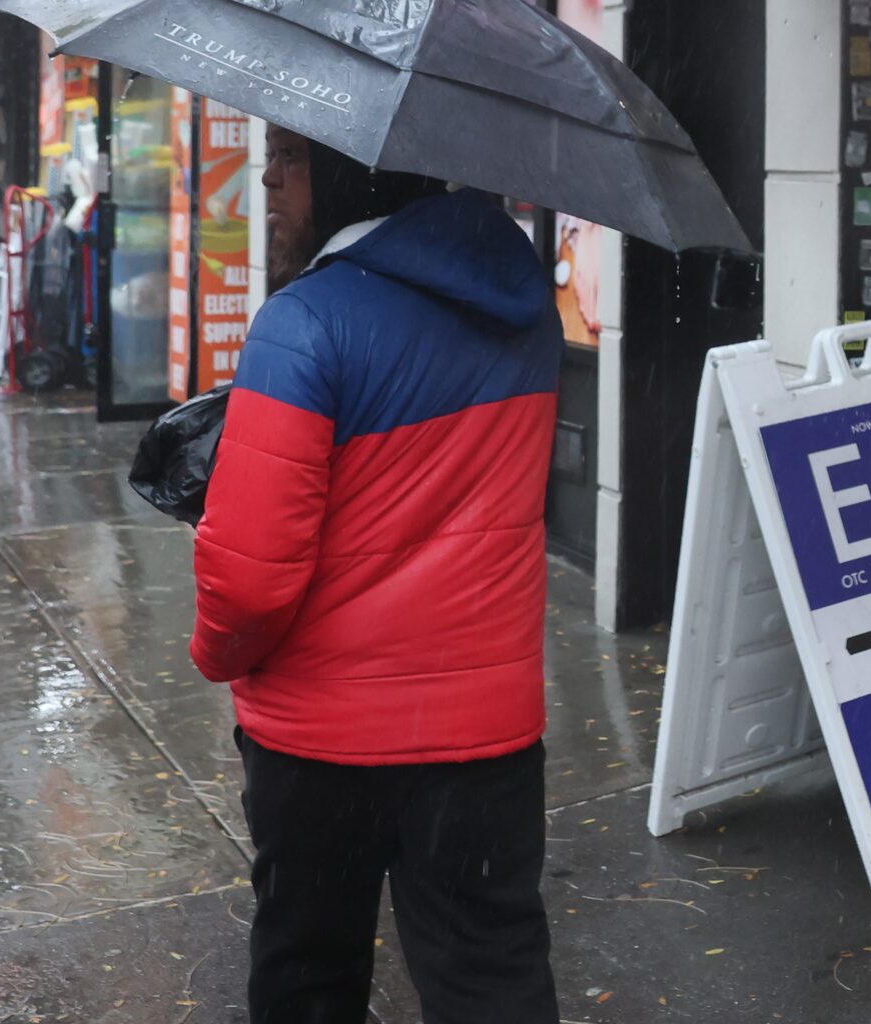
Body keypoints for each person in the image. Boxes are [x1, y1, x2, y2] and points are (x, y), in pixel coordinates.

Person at [191, 124, 562, 1024]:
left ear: (352, 174)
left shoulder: (303, 321)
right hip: (487, 736)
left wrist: (217, 654)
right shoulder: (523, 301)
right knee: (492, 976)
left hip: (324, 747)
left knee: (309, 975)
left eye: (291, 157)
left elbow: (247, 582)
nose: (269, 179)